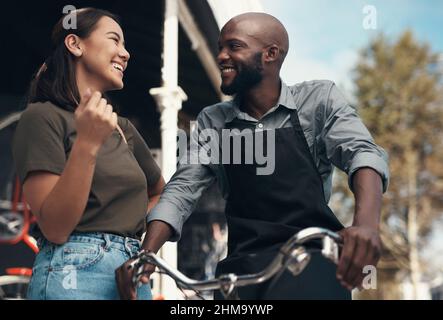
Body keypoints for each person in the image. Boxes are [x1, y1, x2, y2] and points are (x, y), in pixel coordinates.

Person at [116, 12, 389, 300]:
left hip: (311, 260)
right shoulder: (214, 120)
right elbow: (182, 190)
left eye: (233, 46)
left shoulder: (318, 100)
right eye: (220, 46)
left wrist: (366, 226)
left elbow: (363, 154)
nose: (221, 56)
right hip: (241, 271)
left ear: (270, 54)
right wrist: (146, 254)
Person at [12, 8, 165, 300]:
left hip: (132, 271)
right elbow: (55, 228)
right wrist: (88, 143)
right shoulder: (42, 117)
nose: (126, 53)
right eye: (114, 40)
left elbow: (160, 191)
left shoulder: (122, 128)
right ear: (75, 44)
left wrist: (134, 243)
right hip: (73, 272)